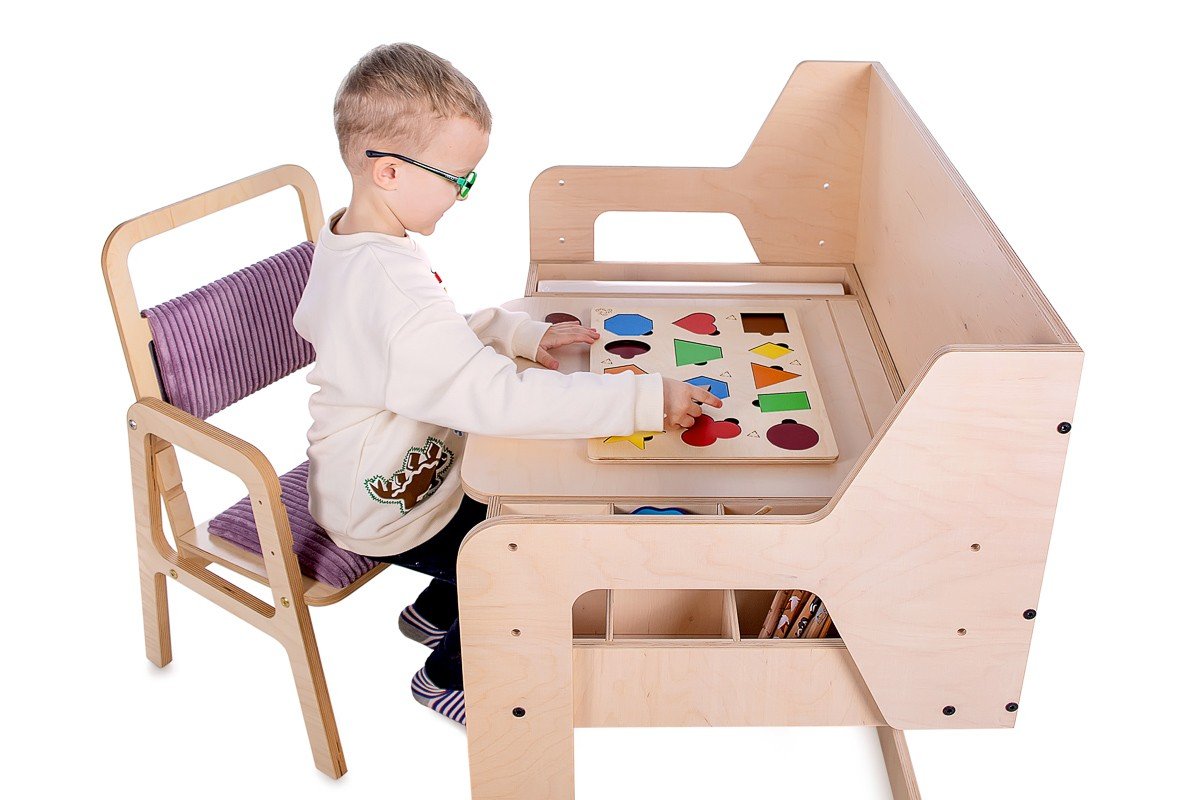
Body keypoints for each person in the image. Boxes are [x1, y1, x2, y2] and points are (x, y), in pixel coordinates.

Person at [291, 42, 721, 726]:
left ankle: (434, 612)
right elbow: (498, 398)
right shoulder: (385, 280)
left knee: (503, 506)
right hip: (391, 508)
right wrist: (643, 398)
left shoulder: (364, 244)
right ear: (391, 171)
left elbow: (429, 336)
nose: (465, 194)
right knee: (526, 551)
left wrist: (517, 333)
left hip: (393, 474)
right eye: (459, 178)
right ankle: (446, 675)